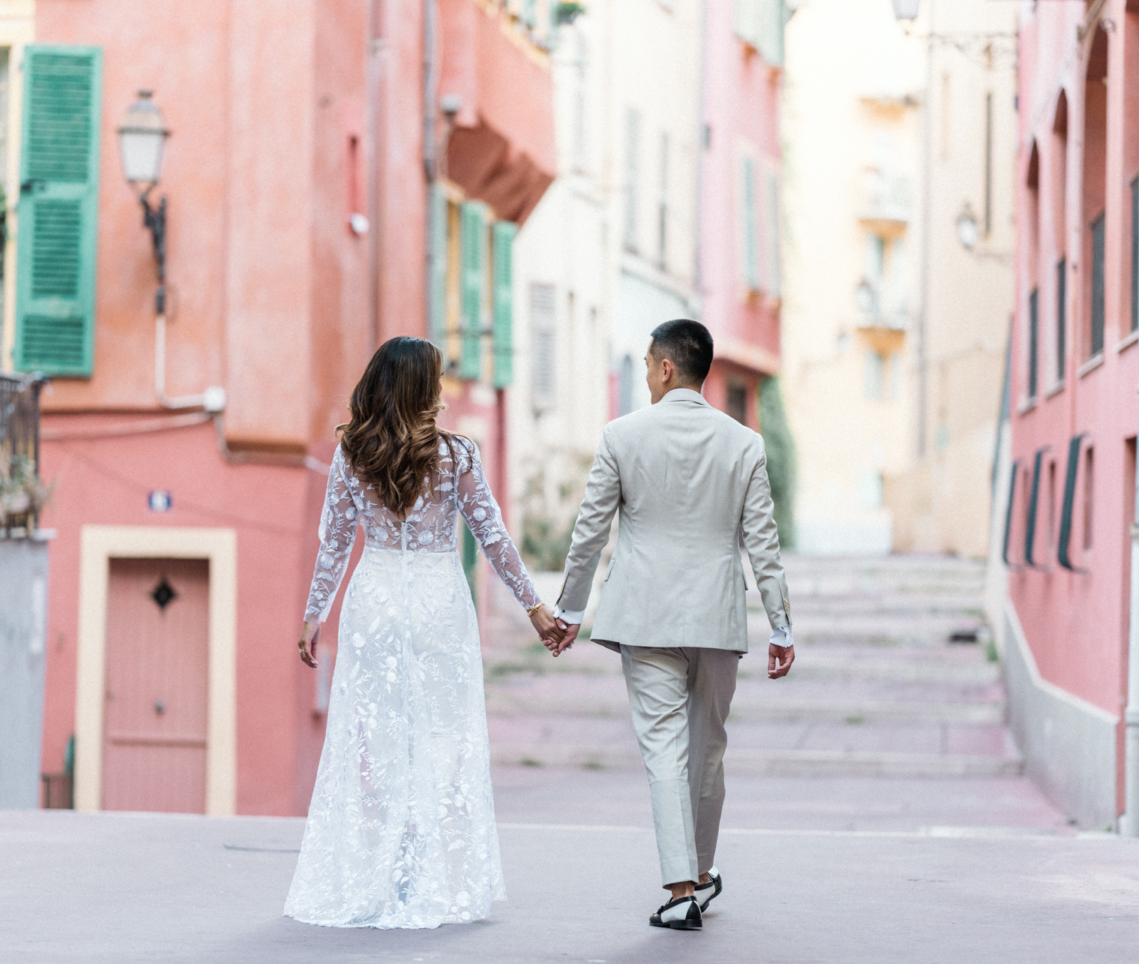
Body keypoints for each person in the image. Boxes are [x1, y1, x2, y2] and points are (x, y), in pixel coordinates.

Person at [285, 337, 563, 929]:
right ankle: (428, 878)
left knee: (382, 744)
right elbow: (492, 536)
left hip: (377, 603)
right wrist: (535, 607)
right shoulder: (457, 456)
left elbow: (334, 543)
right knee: (441, 739)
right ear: (422, 388)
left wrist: (315, 614)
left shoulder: (350, 454)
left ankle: (387, 876)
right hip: (438, 603)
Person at [548, 318, 793, 931]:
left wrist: (570, 610)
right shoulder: (744, 444)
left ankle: (684, 888)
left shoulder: (621, 436)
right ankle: (700, 876)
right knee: (708, 751)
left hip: (646, 616)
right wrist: (782, 627)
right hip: (717, 616)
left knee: (665, 750)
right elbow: (763, 542)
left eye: (649, 365)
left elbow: (590, 530)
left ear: (663, 368)